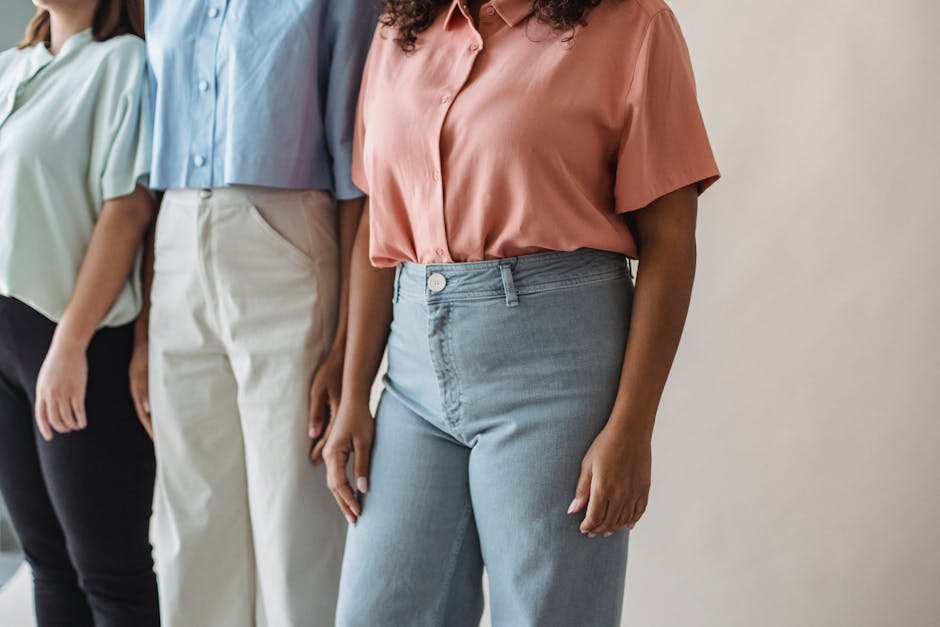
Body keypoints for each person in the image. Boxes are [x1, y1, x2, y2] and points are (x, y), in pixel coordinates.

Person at [323, 0, 721, 625]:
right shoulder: (400, 28)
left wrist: (633, 427)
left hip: (555, 377)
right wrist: (355, 393)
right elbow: (380, 216)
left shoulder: (633, 24)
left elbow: (671, 241)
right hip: (411, 384)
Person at [142, 1, 378, 624]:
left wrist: (347, 347)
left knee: (293, 523)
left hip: (285, 237)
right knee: (191, 521)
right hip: (175, 239)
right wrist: (144, 332)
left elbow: (362, 173)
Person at [0, 1, 157, 626]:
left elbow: (129, 209)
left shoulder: (123, 63)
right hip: (6, 340)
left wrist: (69, 345)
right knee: (46, 561)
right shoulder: (12, 67)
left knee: (109, 571)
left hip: (74, 340)